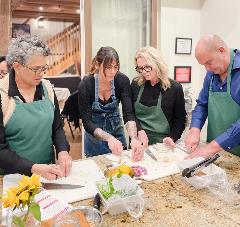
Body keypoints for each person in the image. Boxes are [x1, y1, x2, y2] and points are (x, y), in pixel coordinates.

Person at [0, 35, 72, 180]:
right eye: (36, 69)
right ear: (16, 66)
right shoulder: (3, 95)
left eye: (44, 68)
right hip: (13, 178)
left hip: (48, 172)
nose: (42, 74)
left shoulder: (47, 88)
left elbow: (56, 127)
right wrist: (33, 168)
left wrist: (63, 150)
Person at [78, 46, 144, 161]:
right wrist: (109, 138)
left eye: (115, 67)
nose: (113, 72)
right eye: (108, 67)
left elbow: (128, 114)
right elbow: (87, 122)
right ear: (97, 65)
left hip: (117, 136)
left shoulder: (122, 81)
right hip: (94, 140)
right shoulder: (86, 84)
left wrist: (133, 138)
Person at [185, 35, 240, 159]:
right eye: (203, 65)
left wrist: (211, 147)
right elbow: (202, 104)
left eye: (208, 62)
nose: (207, 69)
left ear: (221, 50)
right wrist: (194, 129)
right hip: (216, 152)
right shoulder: (211, 73)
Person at [131, 46, 186, 147]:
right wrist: (139, 131)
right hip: (139, 141)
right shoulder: (136, 84)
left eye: (147, 67)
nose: (143, 72)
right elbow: (130, 114)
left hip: (163, 144)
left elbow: (180, 120)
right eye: (140, 68)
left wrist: (172, 137)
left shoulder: (175, 88)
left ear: (157, 64)